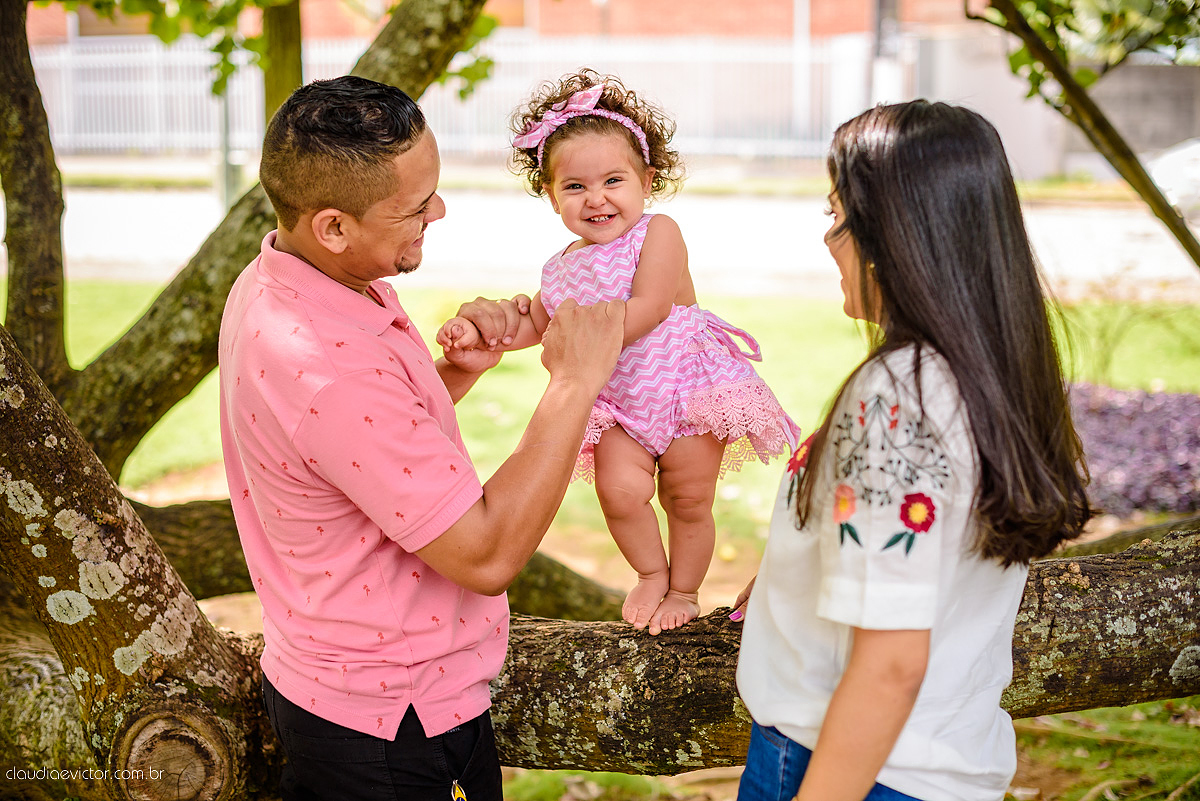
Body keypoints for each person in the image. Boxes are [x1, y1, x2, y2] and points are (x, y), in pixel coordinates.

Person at [218, 75, 624, 801]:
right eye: (415, 206)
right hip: (392, 725)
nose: (439, 209)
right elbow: (486, 552)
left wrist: (450, 375)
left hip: (350, 687)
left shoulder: (289, 277)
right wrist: (572, 385)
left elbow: (355, 449)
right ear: (334, 225)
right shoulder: (325, 364)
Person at [731, 100, 1092, 801]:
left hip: (846, 768)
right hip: (945, 762)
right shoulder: (987, 370)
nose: (829, 239)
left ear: (896, 236)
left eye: (838, 215)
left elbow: (891, 663)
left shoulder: (894, 398)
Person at [438, 69, 800, 636]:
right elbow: (540, 319)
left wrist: (574, 342)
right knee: (621, 492)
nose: (596, 198)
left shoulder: (659, 232)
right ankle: (652, 573)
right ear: (551, 194)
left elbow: (651, 306)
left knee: (687, 497)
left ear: (646, 180)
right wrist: (491, 331)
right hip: (620, 403)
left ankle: (685, 588)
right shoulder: (561, 267)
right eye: (575, 187)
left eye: (613, 180)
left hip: (686, 390)